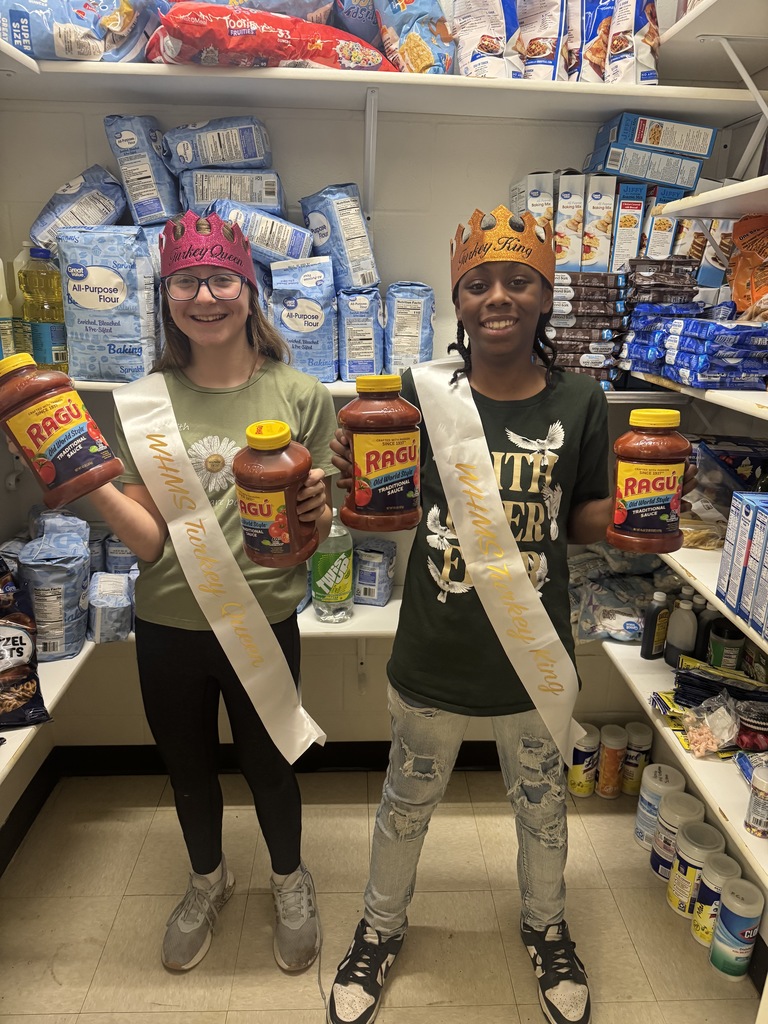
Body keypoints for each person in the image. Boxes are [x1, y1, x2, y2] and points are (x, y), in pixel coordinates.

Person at [327, 205, 615, 1024]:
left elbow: (585, 517)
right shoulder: (419, 398)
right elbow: (378, 514)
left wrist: (637, 511)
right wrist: (353, 478)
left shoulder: (584, 400)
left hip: (535, 655)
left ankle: (546, 926)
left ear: (545, 298)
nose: (499, 295)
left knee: (544, 807)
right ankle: (380, 931)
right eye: (479, 282)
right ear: (458, 301)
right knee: (404, 803)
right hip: (437, 648)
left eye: (519, 280)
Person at [86, 211, 337, 974]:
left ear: (248, 288)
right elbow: (153, 541)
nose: (205, 296)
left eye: (220, 278)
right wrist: (88, 483)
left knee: (270, 766)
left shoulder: (301, 394)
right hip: (168, 621)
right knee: (187, 765)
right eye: (186, 282)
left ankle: (290, 881)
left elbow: (312, 538)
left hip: (260, 619)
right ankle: (207, 880)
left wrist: (318, 519)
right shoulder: (143, 402)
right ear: (166, 296)